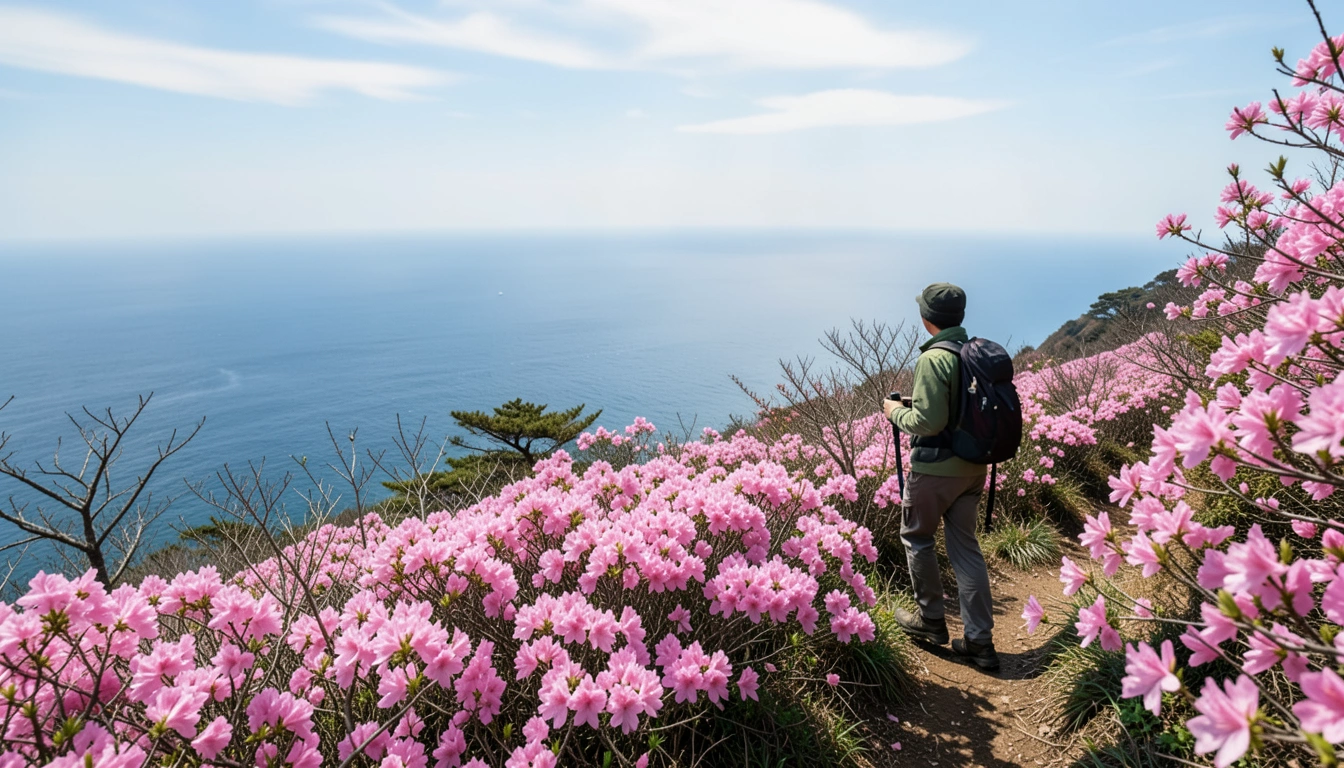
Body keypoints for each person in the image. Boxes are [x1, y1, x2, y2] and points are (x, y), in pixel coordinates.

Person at [882, 282, 999, 672]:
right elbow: (957, 406)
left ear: (926, 318)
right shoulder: (973, 353)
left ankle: (931, 621)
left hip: (935, 469)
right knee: (965, 547)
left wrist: (893, 412)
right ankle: (980, 641)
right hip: (972, 468)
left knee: (917, 537)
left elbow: (929, 423)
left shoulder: (933, 359)